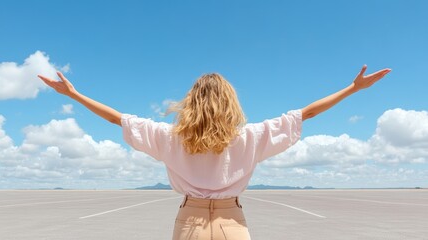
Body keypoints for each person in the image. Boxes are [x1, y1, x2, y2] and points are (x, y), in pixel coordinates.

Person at [38, 65, 391, 240]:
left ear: (191, 102)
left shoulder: (169, 137)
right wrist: (352, 88)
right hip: (232, 223)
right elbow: (306, 113)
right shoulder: (249, 137)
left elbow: (118, 119)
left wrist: (73, 94)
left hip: (188, 222)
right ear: (230, 102)